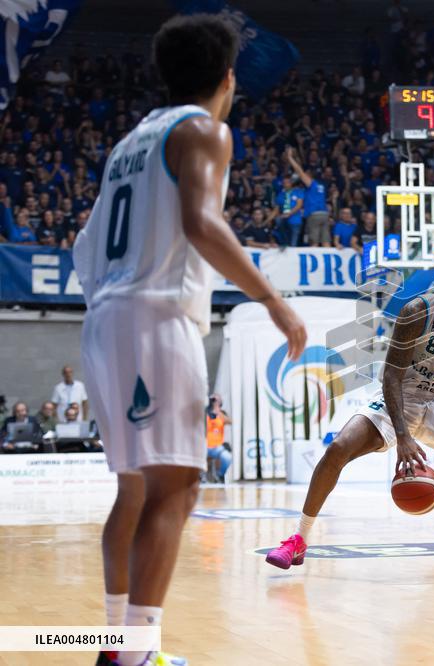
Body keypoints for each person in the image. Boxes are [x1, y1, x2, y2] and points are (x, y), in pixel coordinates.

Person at [73, 16, 306, 666]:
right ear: (229, 79)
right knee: (175, 489)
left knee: (136, 489)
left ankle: (118, 646)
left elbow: (82, 246)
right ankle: (136, 653)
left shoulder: (130, 143)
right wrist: (272, 300)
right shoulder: (204, 129)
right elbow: (202, 224)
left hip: (106, 319)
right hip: (155, 318)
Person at [266, 254, 434, 580]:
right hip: (400, 398)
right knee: (338, 448)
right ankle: (298, 539)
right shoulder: (418, 311)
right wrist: (402, 437)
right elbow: (391, 378)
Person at [288, 148, 329, 248]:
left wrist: (290, 158)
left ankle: (312, 264)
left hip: (314, 215)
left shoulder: (312, 184)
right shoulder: (321, 186)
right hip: (324, 214)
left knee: (314, 243)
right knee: (325, 242)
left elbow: (299, 171)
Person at [205, 394, 232, 482]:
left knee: (227, 457)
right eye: (212, 400)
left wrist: (218, 411)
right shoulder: (205, 413)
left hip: (217, 447)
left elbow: (230, 421)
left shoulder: (221, 414)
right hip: (205, 446)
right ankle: (201, 477)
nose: (214, 402)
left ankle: (220, 475)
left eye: (216, 400)